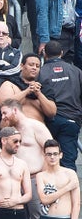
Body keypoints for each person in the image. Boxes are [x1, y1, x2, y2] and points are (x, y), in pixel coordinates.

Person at [36, 139, 80, 219]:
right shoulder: (41, 175)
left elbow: (76, 204)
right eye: (49, 154)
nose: (52, 157)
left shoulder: (70, 174)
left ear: (60, 155)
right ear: (44, 156)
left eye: (55, 154)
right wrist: (66, 188)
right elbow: (44, 199)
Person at [38, 40, 82, 170]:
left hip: (49, 121)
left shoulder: (41, 72)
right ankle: (72, 189)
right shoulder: (76, 71)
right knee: (68, 162)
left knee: (48, 161)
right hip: (71, 120)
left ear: (44, 54)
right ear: (61, 53)